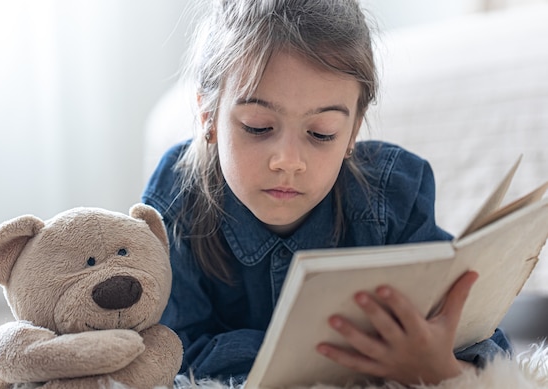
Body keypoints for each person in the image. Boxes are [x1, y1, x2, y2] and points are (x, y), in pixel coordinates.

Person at [141, 0, 511, 385]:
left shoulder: (391, 195)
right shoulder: (178, 199)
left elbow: (481, 345)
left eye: (321, 133)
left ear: (352, 133)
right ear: (208, 117)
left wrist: (441, 369)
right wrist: (331, 358)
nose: (288, 161)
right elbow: (168, 353)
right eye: (258, 126)